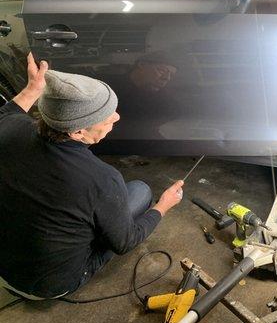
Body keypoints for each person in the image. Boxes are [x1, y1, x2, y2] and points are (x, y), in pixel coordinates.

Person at [0, 53, 184, 300]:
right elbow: (125, 242)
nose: (117, 117)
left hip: (5, 270)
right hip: (51, 285)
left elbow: (9, 110)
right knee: (141, 191)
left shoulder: (11, 128)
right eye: (107, 118)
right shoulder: (101, 179)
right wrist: (164, 206)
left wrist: (34, 89)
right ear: (77, 131)